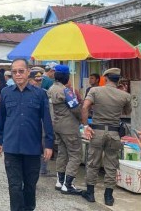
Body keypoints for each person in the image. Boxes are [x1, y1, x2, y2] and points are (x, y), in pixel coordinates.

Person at [0, 58, 54, 211]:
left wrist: (48, 145)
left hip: (32, 149)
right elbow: (1, 118)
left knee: (30, 186)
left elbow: (47, 120)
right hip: (11, 148)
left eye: (21, 71)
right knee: (14, 186)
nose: (18, 75)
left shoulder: (40, 94)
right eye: (14, 72)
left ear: (28, 72)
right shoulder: (6, 93)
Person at [80, 67, 131, 206]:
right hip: (114, 134)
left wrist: (85, 126)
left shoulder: (95, 91)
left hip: (97, 131)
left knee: (92, 163)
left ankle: (90, 193)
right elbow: (127, 112)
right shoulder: (125, 95)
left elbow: (84, 107)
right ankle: (108, 197)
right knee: (111, 165)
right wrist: (124, 93)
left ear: (105, 78)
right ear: (118, 79)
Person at [46, 65, 83, 194]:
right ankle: (68, 184)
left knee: (62, 153)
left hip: (57, 125)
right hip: (69, 127)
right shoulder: (66, 91)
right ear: (66, 77)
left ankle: (60, 181)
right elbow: (75, 109)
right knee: (75, 155)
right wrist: (81, 118)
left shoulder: (51, 89)